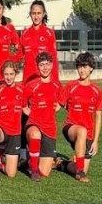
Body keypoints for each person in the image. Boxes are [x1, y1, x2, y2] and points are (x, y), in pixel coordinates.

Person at [58, 52, 102, 183]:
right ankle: (79, 172)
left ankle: (63, 164)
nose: (82, 70)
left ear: (91, 68)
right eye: (79, 66)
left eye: (85, 66)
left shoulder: (97, 91)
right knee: (81, 131)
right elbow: (57, 106)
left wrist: (95, 141)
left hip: (89, 134)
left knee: (82, 167)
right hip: (71, 127)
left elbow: (98, 117)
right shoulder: (70, 86)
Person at [23, 52, 62, 181]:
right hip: (34, 124)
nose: (45, 67)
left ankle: (30, 161)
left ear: (52, 65)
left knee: (45, 172)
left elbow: (61, 102)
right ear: (37, 66)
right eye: (41, 65)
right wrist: (31, 113)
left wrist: (53, 109)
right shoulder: (31, 85)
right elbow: (22, 105)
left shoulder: (57, 85)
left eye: (47, 64)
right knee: (35, 134)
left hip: (50, 128)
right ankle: (33, 170)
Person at [17, 0, 59, 83]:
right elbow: (18, 56)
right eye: (34, 13)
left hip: (44, 79)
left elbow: (53, 59)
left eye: (39, 13)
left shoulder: (49, 33)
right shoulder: (24, 33)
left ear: (43, 14)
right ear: (30, 14)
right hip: (28, 79)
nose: (36, 17)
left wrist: (55, 81)